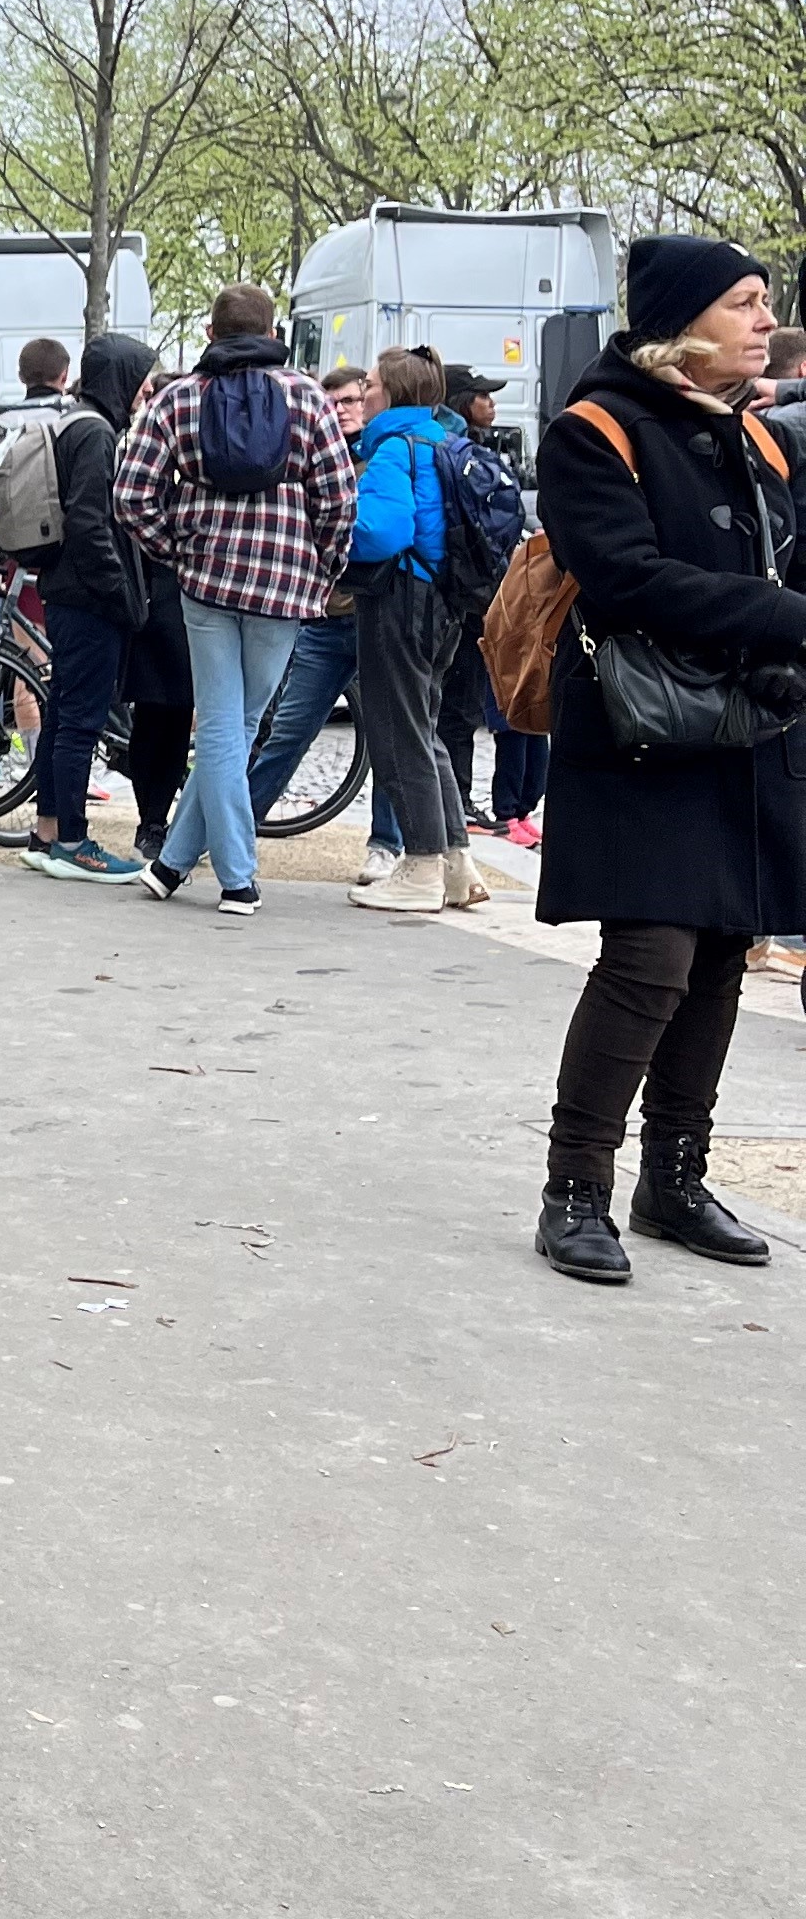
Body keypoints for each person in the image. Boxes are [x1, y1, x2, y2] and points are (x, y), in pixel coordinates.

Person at [532, 239, 802, 1286]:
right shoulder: (595, 430)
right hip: (642, 732)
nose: (764, 317)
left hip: (752, 730)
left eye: (765, 301)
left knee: (724, 955)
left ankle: (674, 1180)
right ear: (684, 324)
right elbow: (623, 576)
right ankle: (575, 1190)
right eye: (744, 302)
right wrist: (783, 617)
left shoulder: (764, 443)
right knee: (650, 961)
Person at [114, 285, 356, 915]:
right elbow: (336, 495)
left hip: (205, 582)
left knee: (224, 723)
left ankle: (172, 864)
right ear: (273, 329)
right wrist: (324, 566)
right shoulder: (307, 397)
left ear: (210, 330)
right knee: (239, 724)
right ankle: (237, 877)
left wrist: (176, 548)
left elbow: (132, 494)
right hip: (284, 584)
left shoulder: (178, 398)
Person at [0, 334, 149, 885]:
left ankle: (50, 830)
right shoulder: (97, 432)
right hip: (88, 595)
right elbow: (89, 520)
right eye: (140, 379)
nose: (142, 392)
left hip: (61, 586)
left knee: (62, 710)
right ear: (120, 378)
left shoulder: (72, 420)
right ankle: (75, 841)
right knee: (80, 718)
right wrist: (120, 593)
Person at [246, 366, 397, 873]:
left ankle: (387, 845)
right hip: (325, 617)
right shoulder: (311, 454)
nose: (342, 407)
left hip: (377, 613)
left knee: (388, 735)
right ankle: (237, 824)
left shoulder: (386, 453)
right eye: (332, 399)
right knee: (289, 729)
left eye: (353, 398)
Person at [347, 346, 481, 918]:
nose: (365, 390)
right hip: (445, 603)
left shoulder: (392, 449)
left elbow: (382, 531)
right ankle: (457, 864)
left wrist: (335, 532)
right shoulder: (444, 441)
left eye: (371, 383)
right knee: (426, 731)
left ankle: (422, 866)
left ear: (392, 394)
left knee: (397, 733)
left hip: (399, 600)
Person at [439, 372, 525, 825]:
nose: (491, 404)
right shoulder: (462, 452)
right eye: (483, 396)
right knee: (458, 704)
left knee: (460, 704)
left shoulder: (476, 448)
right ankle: (456, 801)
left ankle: (459, 799)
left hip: (471, 592)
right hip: (465, 594)